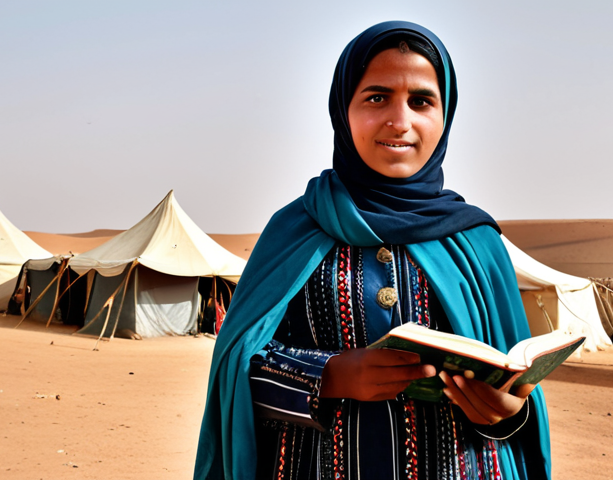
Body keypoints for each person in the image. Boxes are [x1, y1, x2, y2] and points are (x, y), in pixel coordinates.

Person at [194, 21, 551, 479]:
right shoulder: (295, 229)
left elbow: (518, 396)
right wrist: (329, 375)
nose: (399, 122)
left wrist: (505, 411)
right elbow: (235, 372)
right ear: (343, 110)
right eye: (377, 97)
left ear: (445, 116)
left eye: (421, 101)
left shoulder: (477, 241)